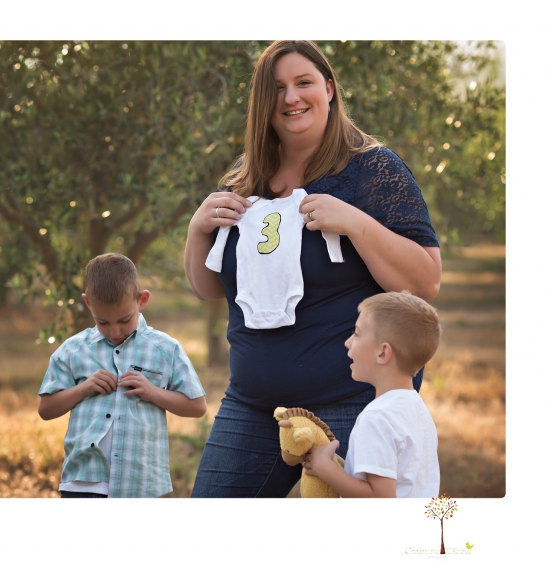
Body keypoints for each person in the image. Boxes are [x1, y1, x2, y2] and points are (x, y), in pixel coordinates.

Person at [184, 41, 441, 497]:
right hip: (253, 405)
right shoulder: (244, 178)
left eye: (303, 82)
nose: (291, 97)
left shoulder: (372, 169)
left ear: (329, 88)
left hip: (352, 401)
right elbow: (210, 288)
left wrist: (357, 224)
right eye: (277, 88)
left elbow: (426, 281)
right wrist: (197, 229)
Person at [38, 253, 207, 497]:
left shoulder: (165, 349)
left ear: (142, 300)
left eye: (125, 320)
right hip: (83, 482)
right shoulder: (73, 350)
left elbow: (197, 406)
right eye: (102, 322)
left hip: (140, 482)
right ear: (88, 303)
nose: (115, 331)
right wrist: (83, 388)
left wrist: (153, 393)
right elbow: (46, 409)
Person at [293, 291, 441, 498]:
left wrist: (324, 467)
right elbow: (389, 476)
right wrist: (334, 463)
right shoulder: (416, 409)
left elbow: (379, 498)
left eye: (356, 333)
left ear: (382, 353)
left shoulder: (377, 418)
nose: (347, 342)